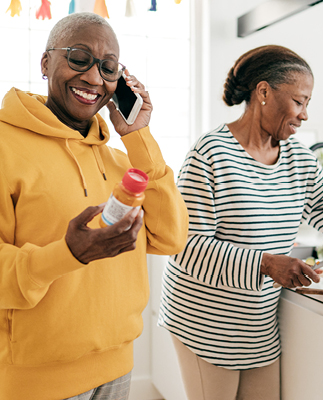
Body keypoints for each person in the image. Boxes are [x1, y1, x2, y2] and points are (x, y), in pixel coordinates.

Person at [158, 44, 323, 400]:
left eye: (307, 104)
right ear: (264, 92)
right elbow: (186, 247)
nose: (304, 115)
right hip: (205, 324)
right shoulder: (210, 153)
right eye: (300, 101)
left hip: (258, 325)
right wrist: (267, 264)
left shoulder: (298, 160)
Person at [0, 12, 188, 400]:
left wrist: (138, 137)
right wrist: (67, 254)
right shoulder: (5, 148)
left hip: (118, 368)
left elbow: (170, 236)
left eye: (108, 68)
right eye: (79, 58)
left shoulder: (120, 161)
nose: (93, 78)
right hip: (36, 379)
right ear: (46, 62)